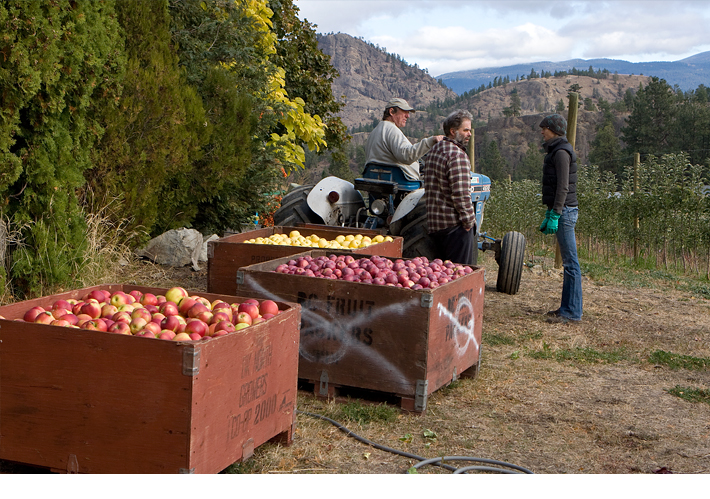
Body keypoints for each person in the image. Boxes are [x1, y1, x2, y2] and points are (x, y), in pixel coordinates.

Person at [538, 114, 583, 324]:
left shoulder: (562, 153)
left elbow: (563, 186)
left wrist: (556, 212)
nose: (542, 131)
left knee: (571, 263)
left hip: (565, 211)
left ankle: (572, 313)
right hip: (561, 210)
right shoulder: (556, 150)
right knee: (568, 263)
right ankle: (566, 308)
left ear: (554, 129)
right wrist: (550, 211)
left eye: (544, 128)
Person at [422, 110, 476, 265]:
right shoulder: (457, 155)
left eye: (469, 130)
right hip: (455, 227)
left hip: (435, 225)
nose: (469, 134)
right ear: (453, 131)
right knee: (460, 274)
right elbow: (461, 194)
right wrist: (469, 222)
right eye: (465, 130)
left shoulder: (434, 151)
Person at [364, 98, 443, 180]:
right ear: (391, 112)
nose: (408, 116)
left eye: (408, 112)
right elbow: (406, 156)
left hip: (379, 179)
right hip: (400, 182)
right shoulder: (391, 129)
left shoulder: (375, 131)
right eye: (404, 111)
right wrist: (431, 141)